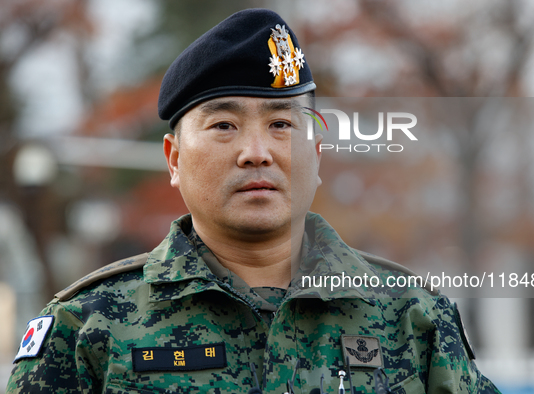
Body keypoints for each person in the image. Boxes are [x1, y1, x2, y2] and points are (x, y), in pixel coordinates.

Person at [6, 9, 500, 394]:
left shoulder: (412, 318)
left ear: (317, 153)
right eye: (224, 126)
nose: (256, 153)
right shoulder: (87, 326)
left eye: (282, 125)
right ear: (174, 159)